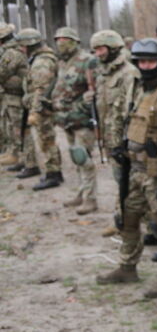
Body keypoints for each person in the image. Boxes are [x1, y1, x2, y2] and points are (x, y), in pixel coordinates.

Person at [97, 38, 157, 299]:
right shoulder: (141, 89)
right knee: (128, 217)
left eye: (151, 61)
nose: (146, 66)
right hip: (134, 169)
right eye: (142, 61)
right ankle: (127, 266)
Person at [92, 29, 140, 237]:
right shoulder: (103, 73)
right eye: (95, 50)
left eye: (101, 49)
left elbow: (131, 110)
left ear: (113, 48)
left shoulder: (128, 73)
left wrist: (125, 141)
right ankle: (122, 221)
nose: (97, 54)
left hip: (125, 141)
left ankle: (133, 225)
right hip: (111, 138)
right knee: (121, 182)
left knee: (131, 184)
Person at [51, 27, 98, 213]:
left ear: (74, 42)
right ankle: (81, 194)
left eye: (65, 39)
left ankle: (90, 199)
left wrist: (82, 108)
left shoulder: (87, 61)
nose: (61, 43)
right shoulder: (62, 62)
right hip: (66, 119)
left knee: (84, 159)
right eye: (58, 39)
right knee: (76, 159)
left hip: (82, 120)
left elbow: (94, 91)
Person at [16, 28, 62, 188]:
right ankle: (53, 172)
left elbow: (41, 89)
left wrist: (35, 111)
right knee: (46, 139)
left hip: (42, 108)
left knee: (46, 139)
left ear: (29, 45)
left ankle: (53, 174)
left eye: (22, 46)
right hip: (42, 106)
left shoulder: (41, 62)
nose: (21, 50)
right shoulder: (39, 59)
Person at [0, 23, 29, 170]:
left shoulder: (12, 53)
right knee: (11, 125)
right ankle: (13, 153)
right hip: (11, 94)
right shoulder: (10, 50)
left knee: (17, 126)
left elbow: (2, 72)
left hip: (16, 95)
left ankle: (19, 157)